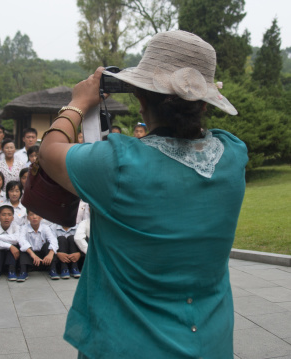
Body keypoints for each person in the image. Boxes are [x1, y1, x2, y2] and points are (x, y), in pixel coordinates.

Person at [37, 30, 248, 358]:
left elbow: (49, 151)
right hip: (210, 344)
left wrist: (78, 103)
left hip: (127, 346)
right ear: (205, 103)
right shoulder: (234, 156)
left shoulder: (117, 164)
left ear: (140, 97)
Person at [0, 205, 21, 282]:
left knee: (15, 245)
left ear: (13, 218)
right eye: (3, 215)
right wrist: (9, 246)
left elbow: (16, 239)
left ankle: (11, 270)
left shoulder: (16, 227)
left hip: (11, 255)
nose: (6, 217)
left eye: (9, 215)